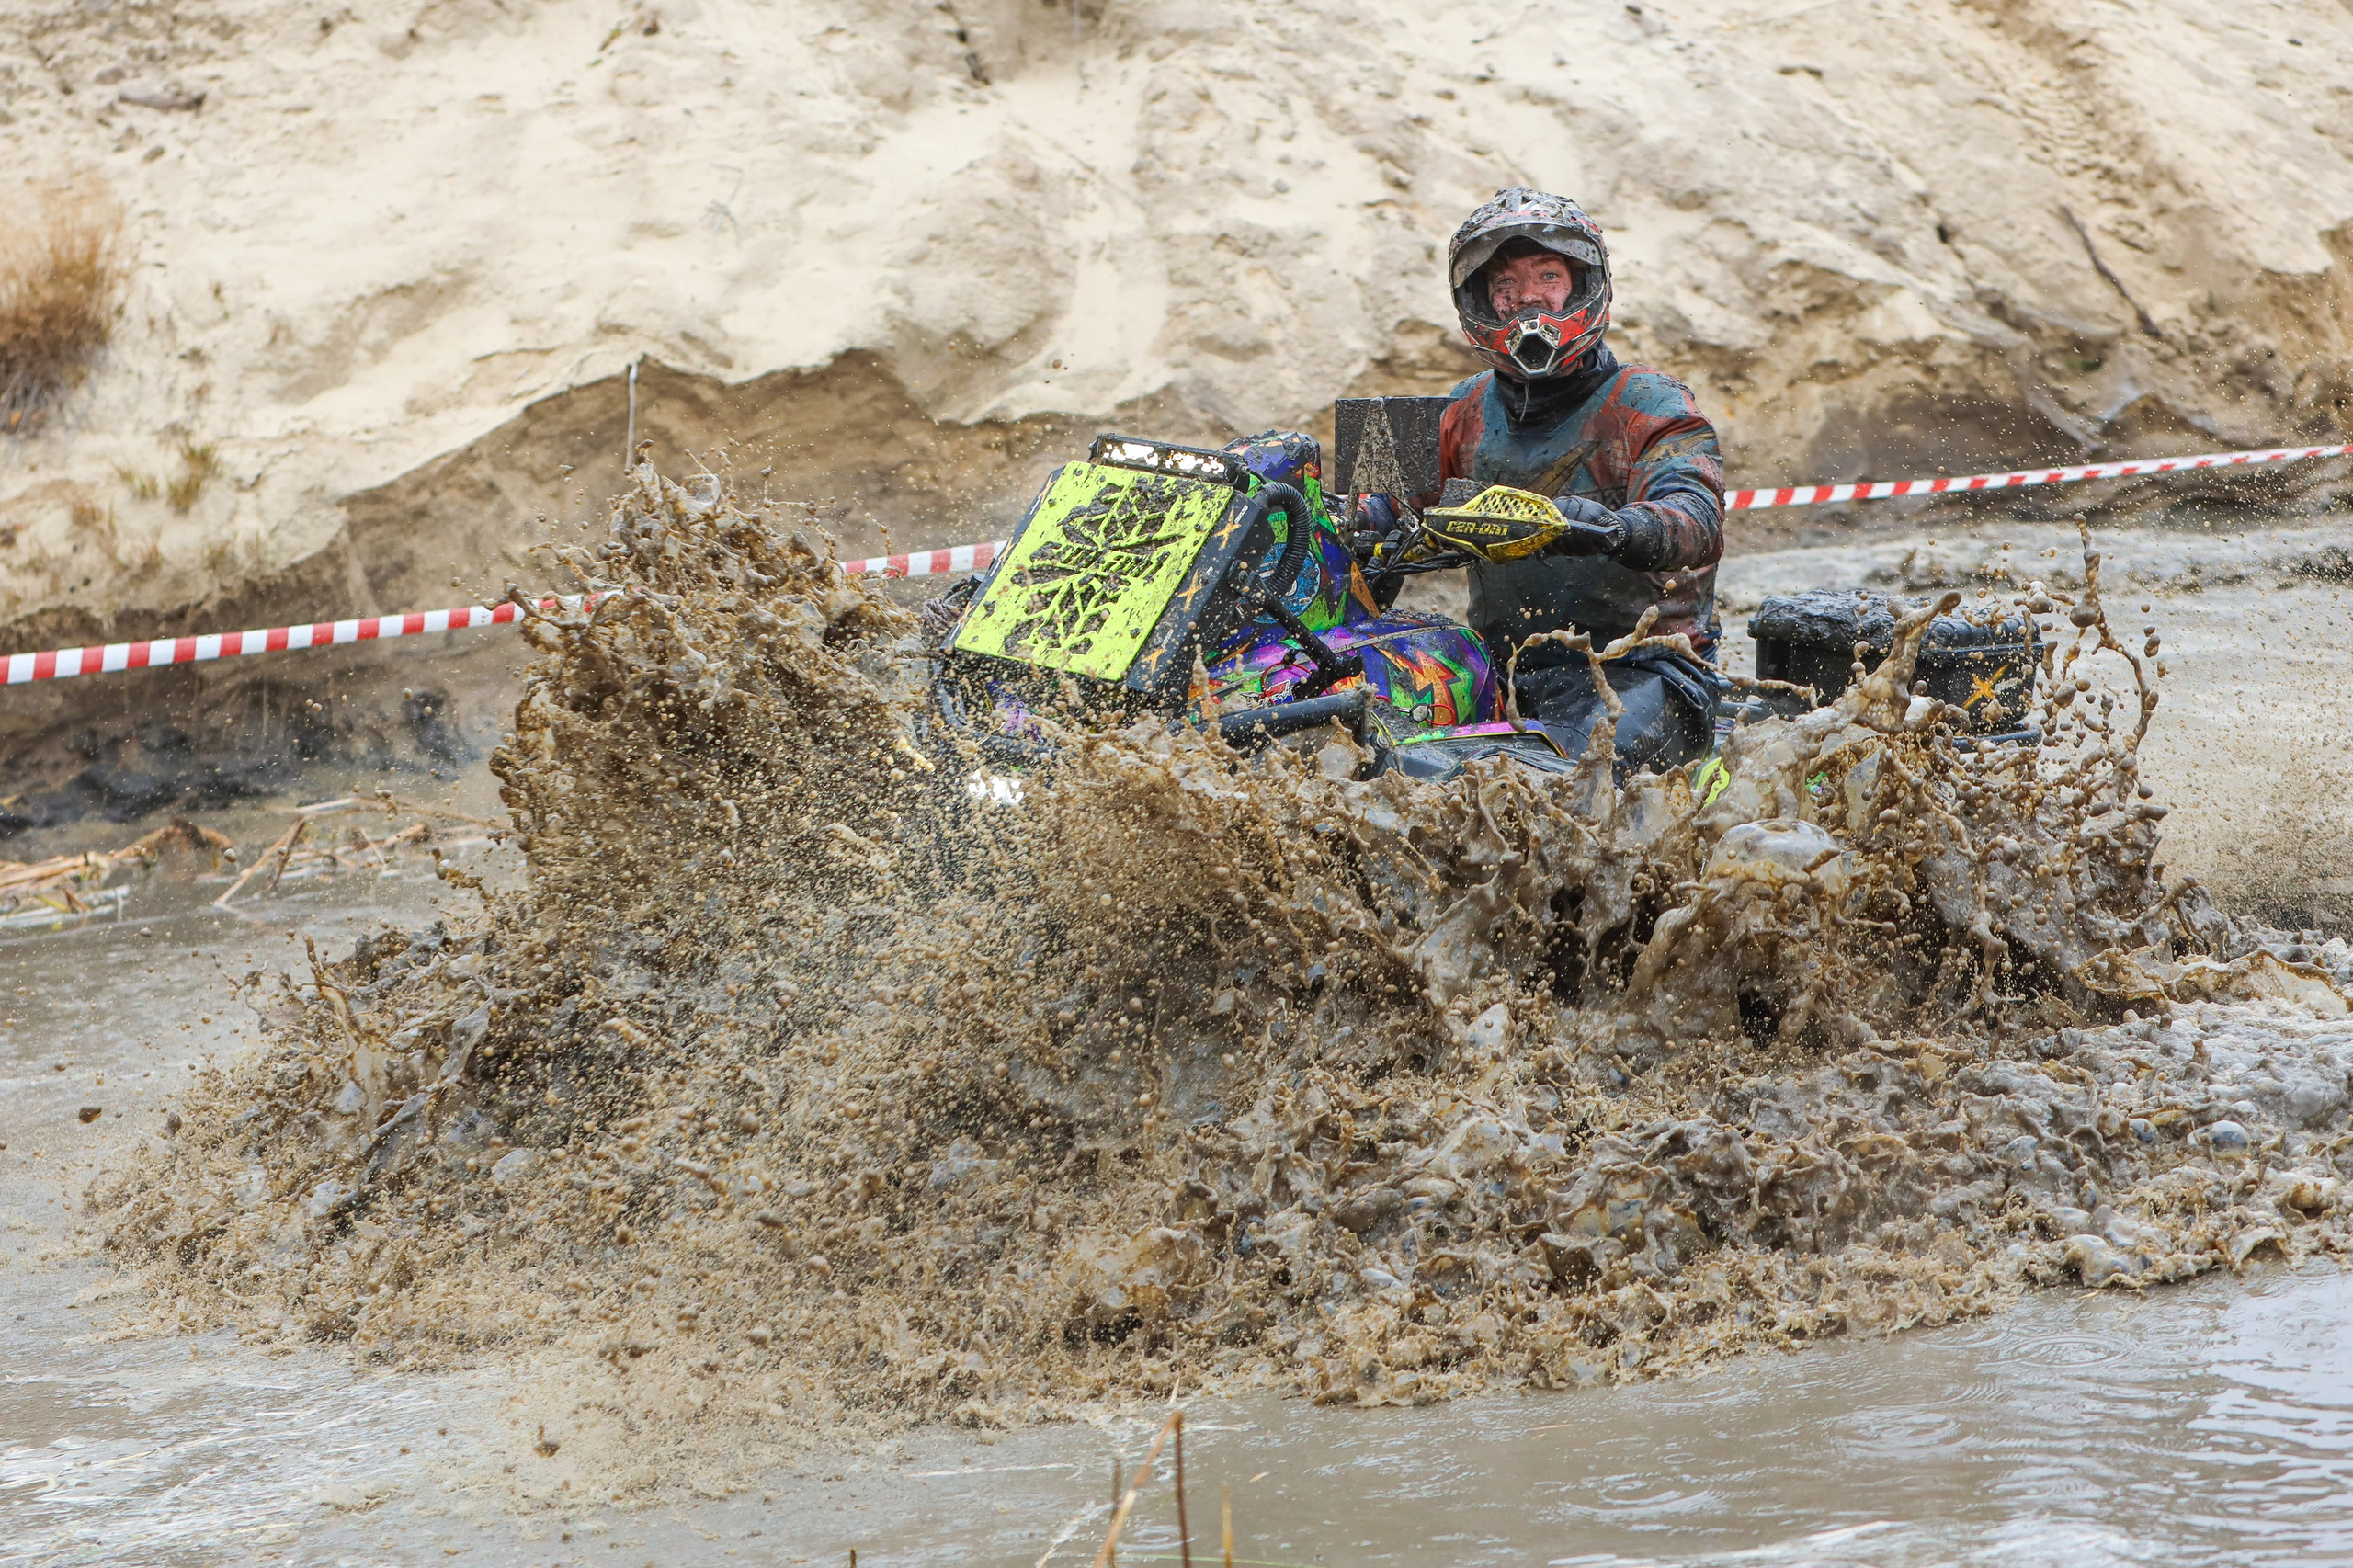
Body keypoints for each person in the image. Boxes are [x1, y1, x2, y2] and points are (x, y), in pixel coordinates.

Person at [1389, 187, 1729, 769]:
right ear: (1481, 302)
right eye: (1505, 286)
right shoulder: (1451, 408)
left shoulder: (1652, 400)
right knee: (1355, 727)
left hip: (1642, 668)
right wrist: (1316, 501)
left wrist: (1605, 527)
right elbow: (1359, 515)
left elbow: (1695, 517)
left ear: (1584, 285)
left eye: (1548, 277)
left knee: (1554, 787)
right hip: (1499, 666)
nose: (1527, 300)